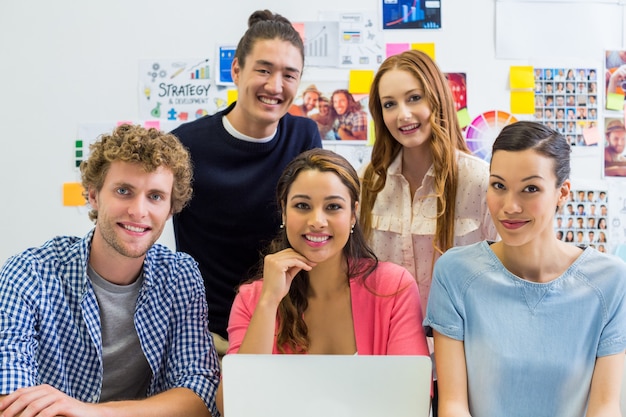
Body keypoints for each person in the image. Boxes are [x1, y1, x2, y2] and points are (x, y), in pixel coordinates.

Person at [0, 125, 220, 417]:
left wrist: (89, 412)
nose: (138, 211)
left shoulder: (180, 276)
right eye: (123, 191)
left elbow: (200, 393)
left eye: (155, 196)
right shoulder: (28, 274)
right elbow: (11, 396)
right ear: (93, 195)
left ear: (170, 209)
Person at [425, 121, 626, 417]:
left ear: (562, 192)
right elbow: (453, 405)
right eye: (499, 186)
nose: (510, 206)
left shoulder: (609, 280)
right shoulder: (455, 273)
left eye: (530, 189)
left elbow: (605, 407)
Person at [217, 149, 430, 413]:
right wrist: (268, 302)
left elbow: (411, 399)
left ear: (353, 214)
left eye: (333, 207)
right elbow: (233, 406)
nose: (317, 221)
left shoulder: (393, 287)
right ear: (284, 211)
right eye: (302, 206)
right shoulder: (253, 298)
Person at [171, 10, 323, 349]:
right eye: (264, 70)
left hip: (286, 328)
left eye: (289, 75)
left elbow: (319, 228)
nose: (275, 86)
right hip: (207, 335)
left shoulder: (304, 136)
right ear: (236, 70)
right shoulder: (186, 144)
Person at [359, 50, 497, 416]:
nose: (402, 114)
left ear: (436, 98)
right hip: (388, 362)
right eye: (389, 104)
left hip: (468, 363)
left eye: (414, 98)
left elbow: (505, 278)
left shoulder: (479, 179)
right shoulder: (367, 183)